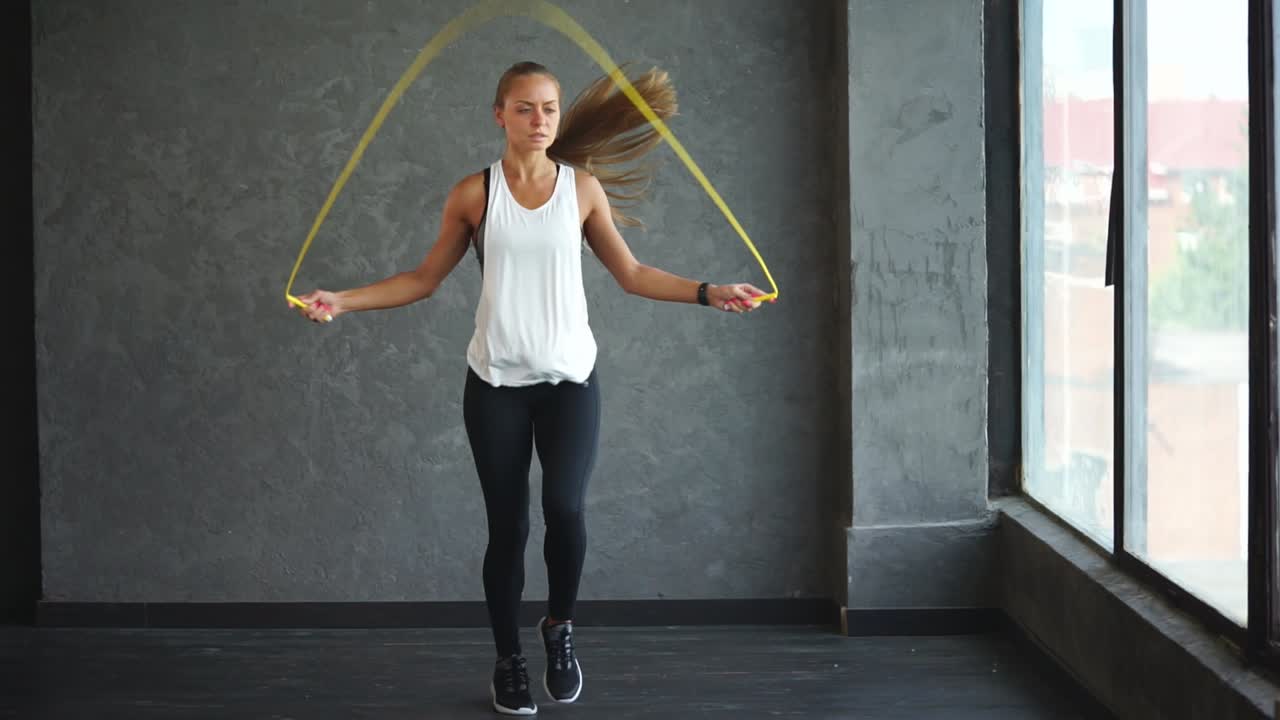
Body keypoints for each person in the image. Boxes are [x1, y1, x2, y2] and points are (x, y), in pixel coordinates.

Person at [294, 60, 769, 715]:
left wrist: (709, 293)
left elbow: (630, 273)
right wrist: (342, 302)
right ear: (500, 115)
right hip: (495, 385)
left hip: (571, 382)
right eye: (525, 108)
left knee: (567, 513)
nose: (540, 119)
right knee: (508, 529)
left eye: (548, 107)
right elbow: (423, 279)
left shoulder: (582, 190)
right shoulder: (473, 194)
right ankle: (508, 662)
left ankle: (559, 628)